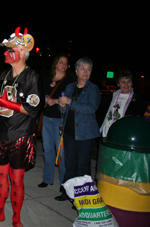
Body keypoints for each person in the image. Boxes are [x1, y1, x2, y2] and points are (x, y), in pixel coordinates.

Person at [0, 27, 44, 227]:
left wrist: (6, 104)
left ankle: (16, 218)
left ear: (21, 53)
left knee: (17, 178)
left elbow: (33, 108)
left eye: (9, 49)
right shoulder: (4, 75)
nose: (4, 52)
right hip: (2, 133)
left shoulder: (32, 77)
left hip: (21, 134)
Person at [55, 57, 100, 202]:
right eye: (82, 68)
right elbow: (64, 109)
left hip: (85, 135)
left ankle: (82, 198)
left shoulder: (93, 89)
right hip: (69, 132)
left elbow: (91, 108)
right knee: (70, 165)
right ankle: (67, 193)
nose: (85, 72)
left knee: (83, 167)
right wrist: (62, 106)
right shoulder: (70, 87)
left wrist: (70, 102)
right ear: (76, 71)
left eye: (88, 69)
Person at [38, 53, 74, 191]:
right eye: (61, 62)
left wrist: (55, 101)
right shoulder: (46, 78)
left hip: (60, 119)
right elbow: (40, 94)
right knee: (47, 150)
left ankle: (64, 183)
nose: (63, 65)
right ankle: (47, 179)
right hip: (46, 118)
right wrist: (45, 100)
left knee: (61, 152)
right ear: (55, 64)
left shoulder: (69, 81)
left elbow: (70, 100)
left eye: (65, 63)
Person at [100, 70, 145, 137]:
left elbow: (140, 118)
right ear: (118, 84)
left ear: (132, 83)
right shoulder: (110, 97)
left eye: (128, 82)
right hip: (108, 131)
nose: (126, 85)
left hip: (125, 133)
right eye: (123, 82)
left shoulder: (137, 99)